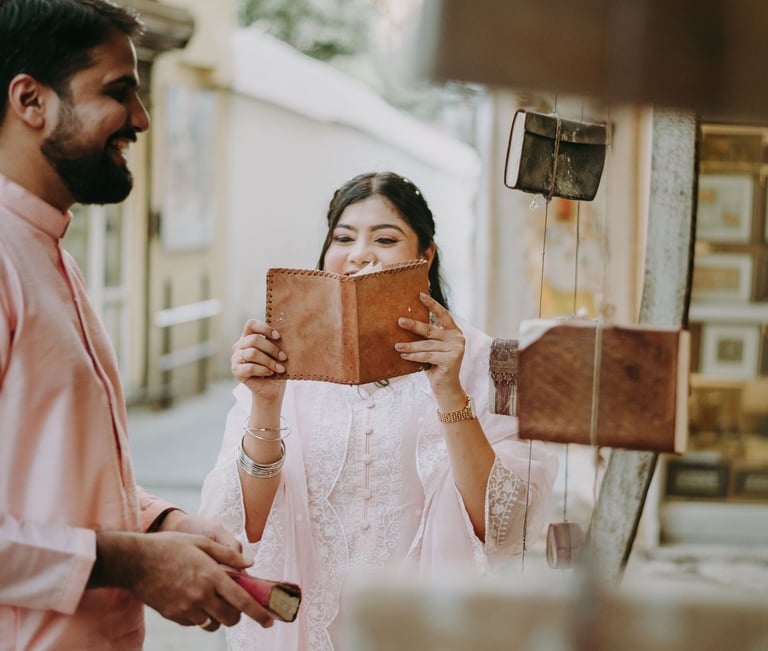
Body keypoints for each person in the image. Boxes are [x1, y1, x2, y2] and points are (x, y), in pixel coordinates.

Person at [0, 2, 275, 649]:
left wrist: (159, 524)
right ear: (30, 100)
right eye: (119, 92)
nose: (142, 120)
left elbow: (53, 478)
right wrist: (132, 561)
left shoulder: (54, 258)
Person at [200, 171, 558, 650]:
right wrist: (266, 403)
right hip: (308, 632)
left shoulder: (493, 360)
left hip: (432, 630)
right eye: (343, 238)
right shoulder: (284, 364)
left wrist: (450, 391)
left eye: (385, 238)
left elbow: (504, 526)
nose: (359, 254)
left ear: (424, 255)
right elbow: (244, 525)